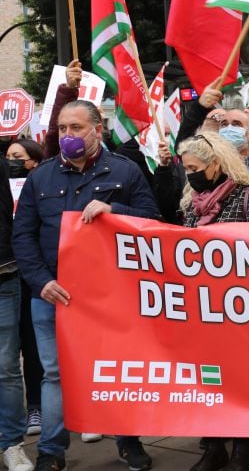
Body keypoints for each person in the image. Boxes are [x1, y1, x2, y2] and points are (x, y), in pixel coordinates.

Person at [11, 100, 159, 471]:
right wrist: (41, 282)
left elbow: (153, 222)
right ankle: (51, 451)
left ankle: (128, 441)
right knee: (55, 373)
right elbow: (23, 235)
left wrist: (116, 211)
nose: (68, 136)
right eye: (62, 128)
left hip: (112, 295)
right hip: (53, 295)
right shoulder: (41, 177)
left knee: (119, 367)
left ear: (98, 129)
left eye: (76, 128)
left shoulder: (125, 172)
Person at [178, 132, 249, 471]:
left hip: (240, 307)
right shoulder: (192, 203)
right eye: (186, 167)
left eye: (194, 167)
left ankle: (242, 449)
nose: (189, 173)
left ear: (215, 164)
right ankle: (215, 446)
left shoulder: (248, 197)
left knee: (240, 379)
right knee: (210, 379)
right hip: (202, 307)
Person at [4, 138, 43, 438]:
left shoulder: (41, 184)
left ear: (34, 160)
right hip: (12, 272)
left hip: (33, 275)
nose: (12, 162)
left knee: (33, 347)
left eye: (18, 156)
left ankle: (37, 407)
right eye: (8, 156)